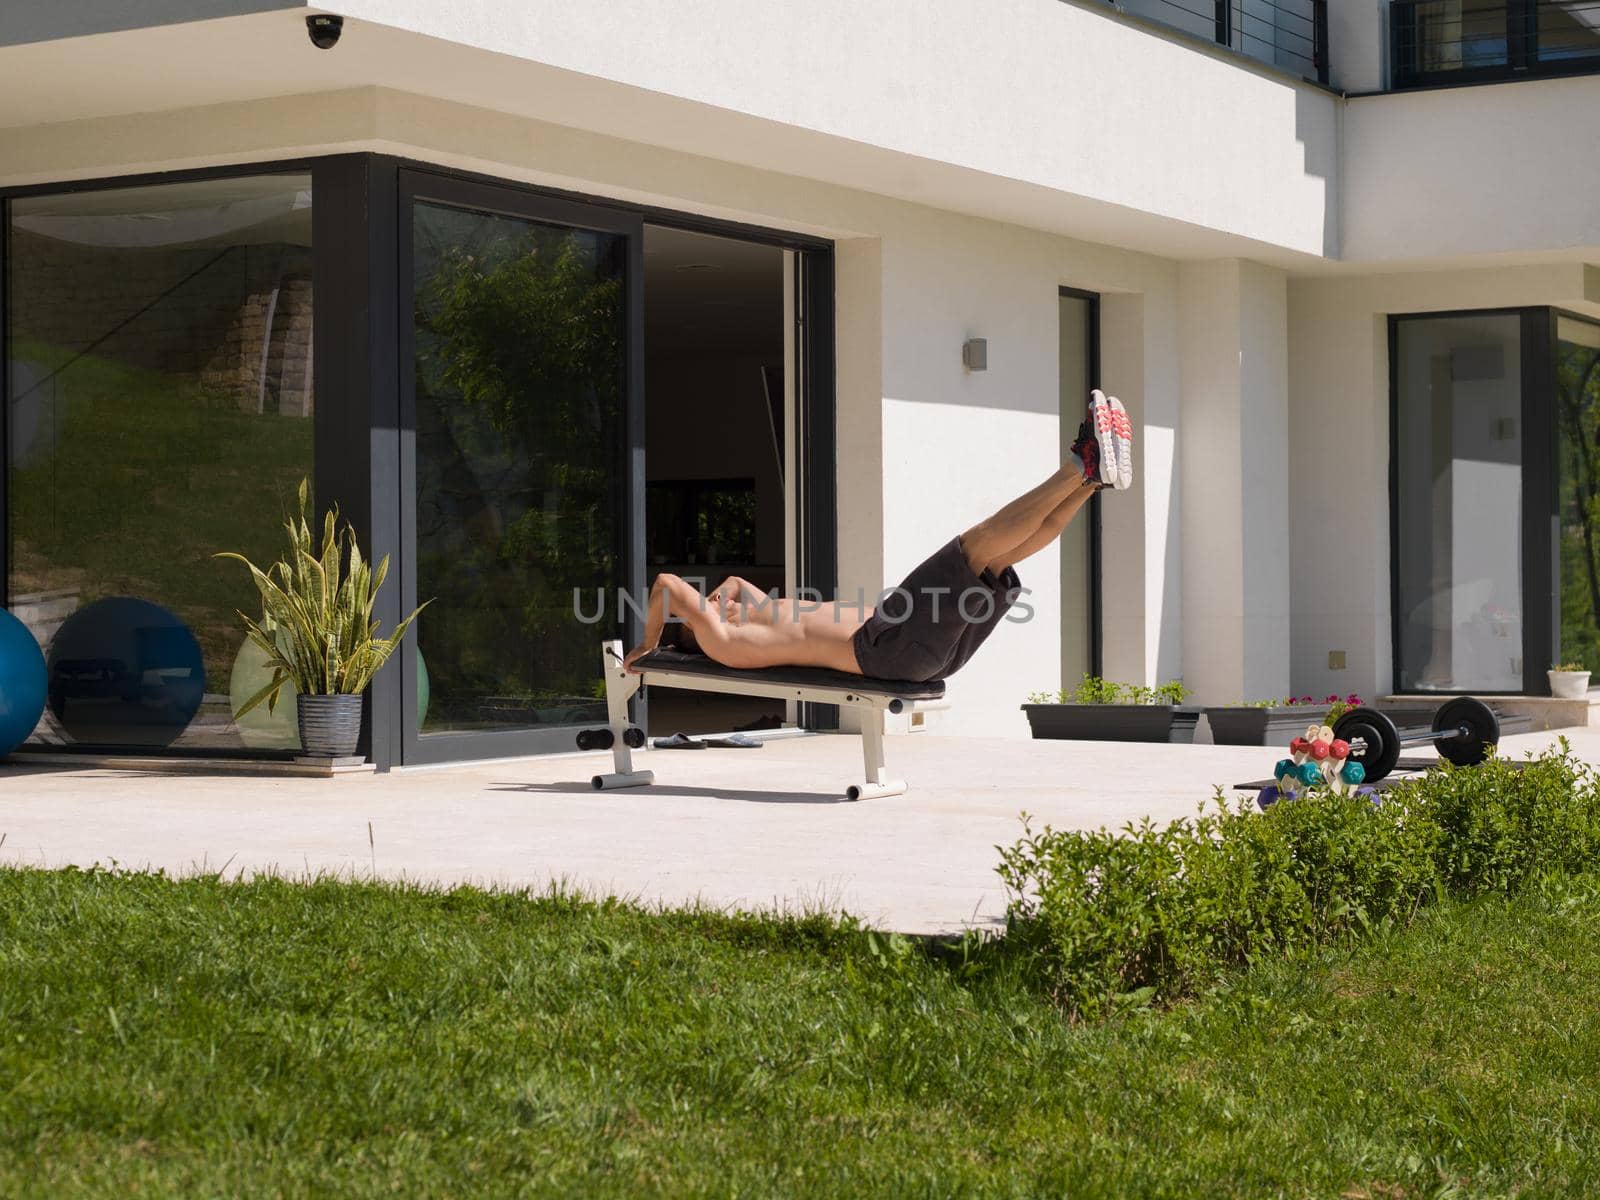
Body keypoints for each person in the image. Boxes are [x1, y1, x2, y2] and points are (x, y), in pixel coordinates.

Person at [622, 390, 1133, 682]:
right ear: (695, 630)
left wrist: (723, 594)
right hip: (889, 643)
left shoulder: (759, 618)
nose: (719, 600)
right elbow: (668, 584)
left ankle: (1093, 480)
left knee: (997, 563)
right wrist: (647, 644)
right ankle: (1078, 464)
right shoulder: (724, 642)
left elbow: (733, 583)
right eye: (709, 608)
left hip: (905, 643)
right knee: (973, 546)